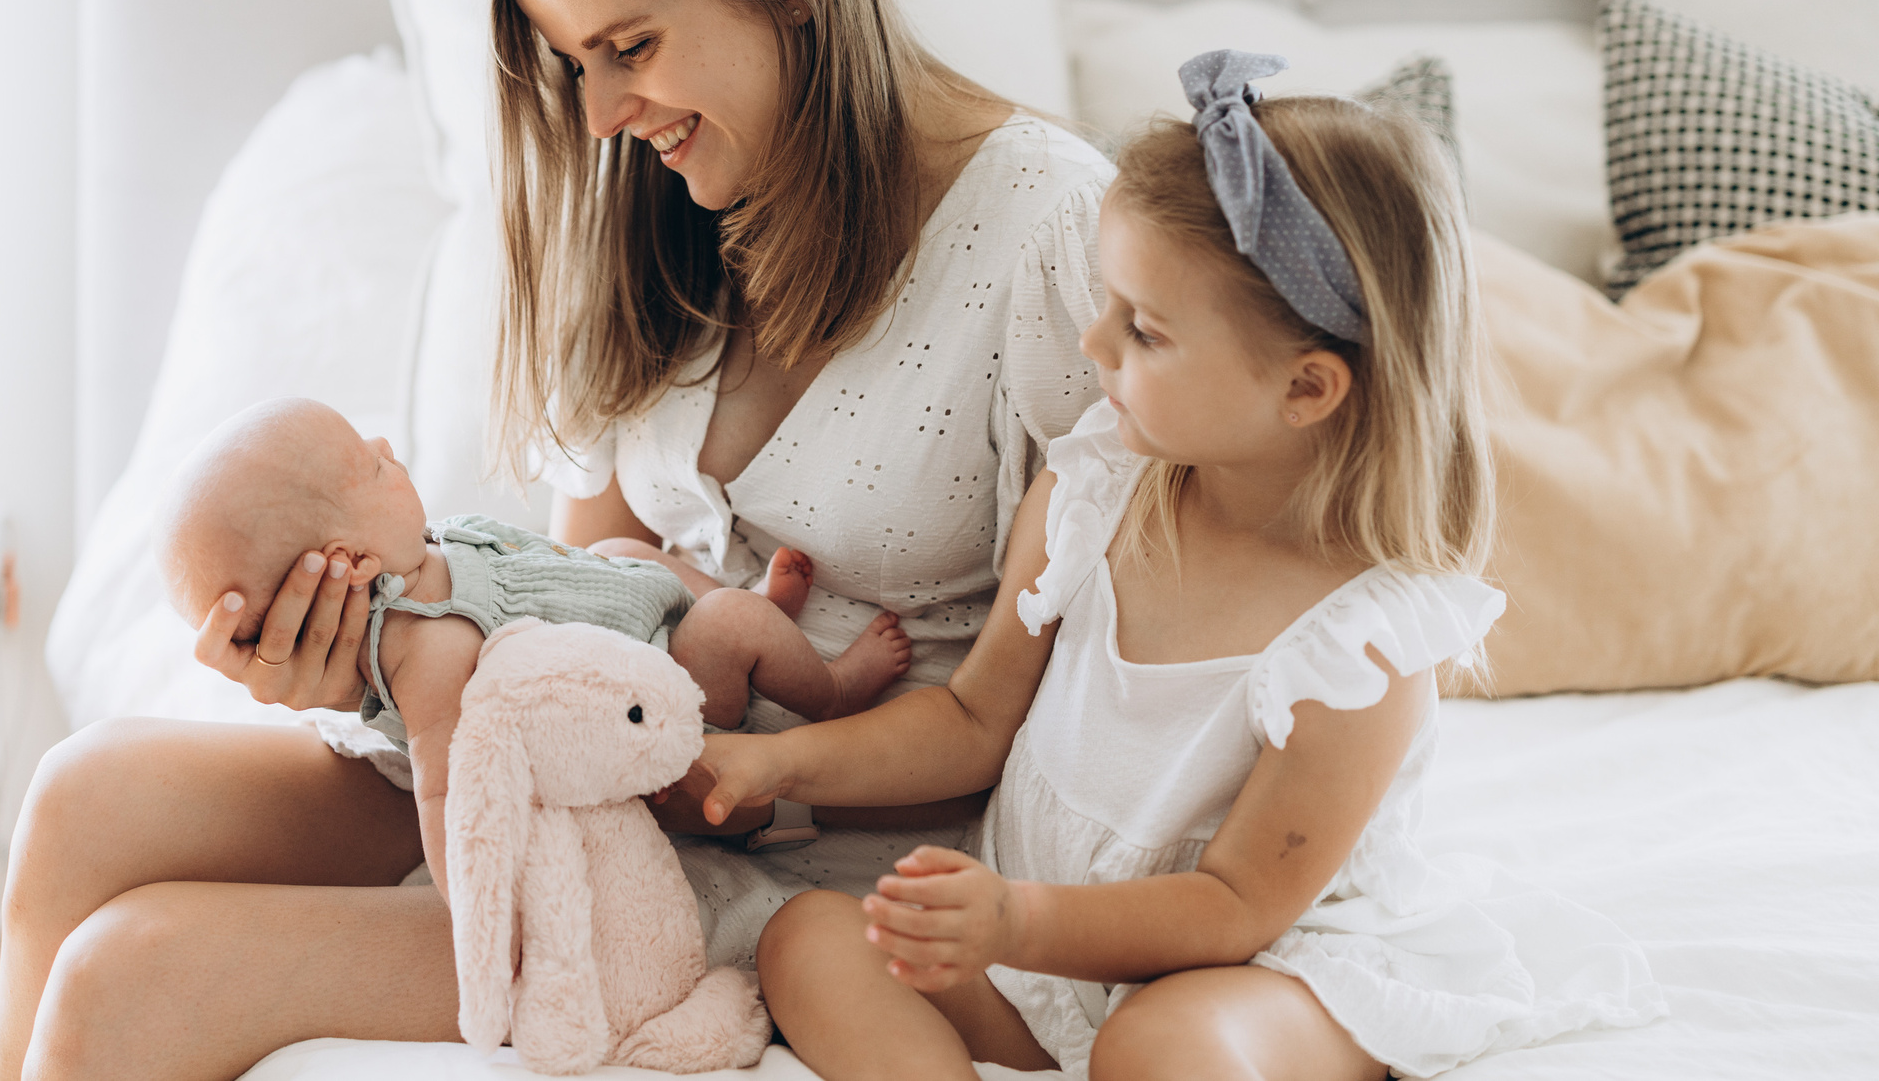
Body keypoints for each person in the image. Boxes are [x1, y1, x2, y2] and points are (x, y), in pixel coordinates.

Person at [0, 0, 1115, 1081]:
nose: (602, 116)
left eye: (629, 47)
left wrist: (738, 758)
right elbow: (589, 577)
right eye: (575, 64)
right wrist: (369, 672)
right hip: (569, 765)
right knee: (78, 797)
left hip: (788, 843)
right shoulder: (661, 208)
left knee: (134, 972)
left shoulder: (1054, 235)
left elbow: (1053, 719)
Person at [687, 54, 1665, 1080]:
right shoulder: (1090, 495)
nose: (1092, 340)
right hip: (1041, 951)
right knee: (811, 938)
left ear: (1306, 388)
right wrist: (779, 767)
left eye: (1142, 330)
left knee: (1164, 1044)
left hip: (1257, 961)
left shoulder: (1357, 646)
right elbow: (972, 723)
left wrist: (1019, 921)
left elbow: (1236, 903)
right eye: (1110, 304)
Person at [156, 396, 915, 894]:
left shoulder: (425, 557)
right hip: (668, 705)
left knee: (623, 545)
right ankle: (833, 686)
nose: (389, 444)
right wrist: (473, 895)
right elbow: (447, 787)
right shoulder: (429, 648)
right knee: (724, 629)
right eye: (372, 463)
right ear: (350, 562)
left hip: (640, 621)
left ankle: (755, 620)